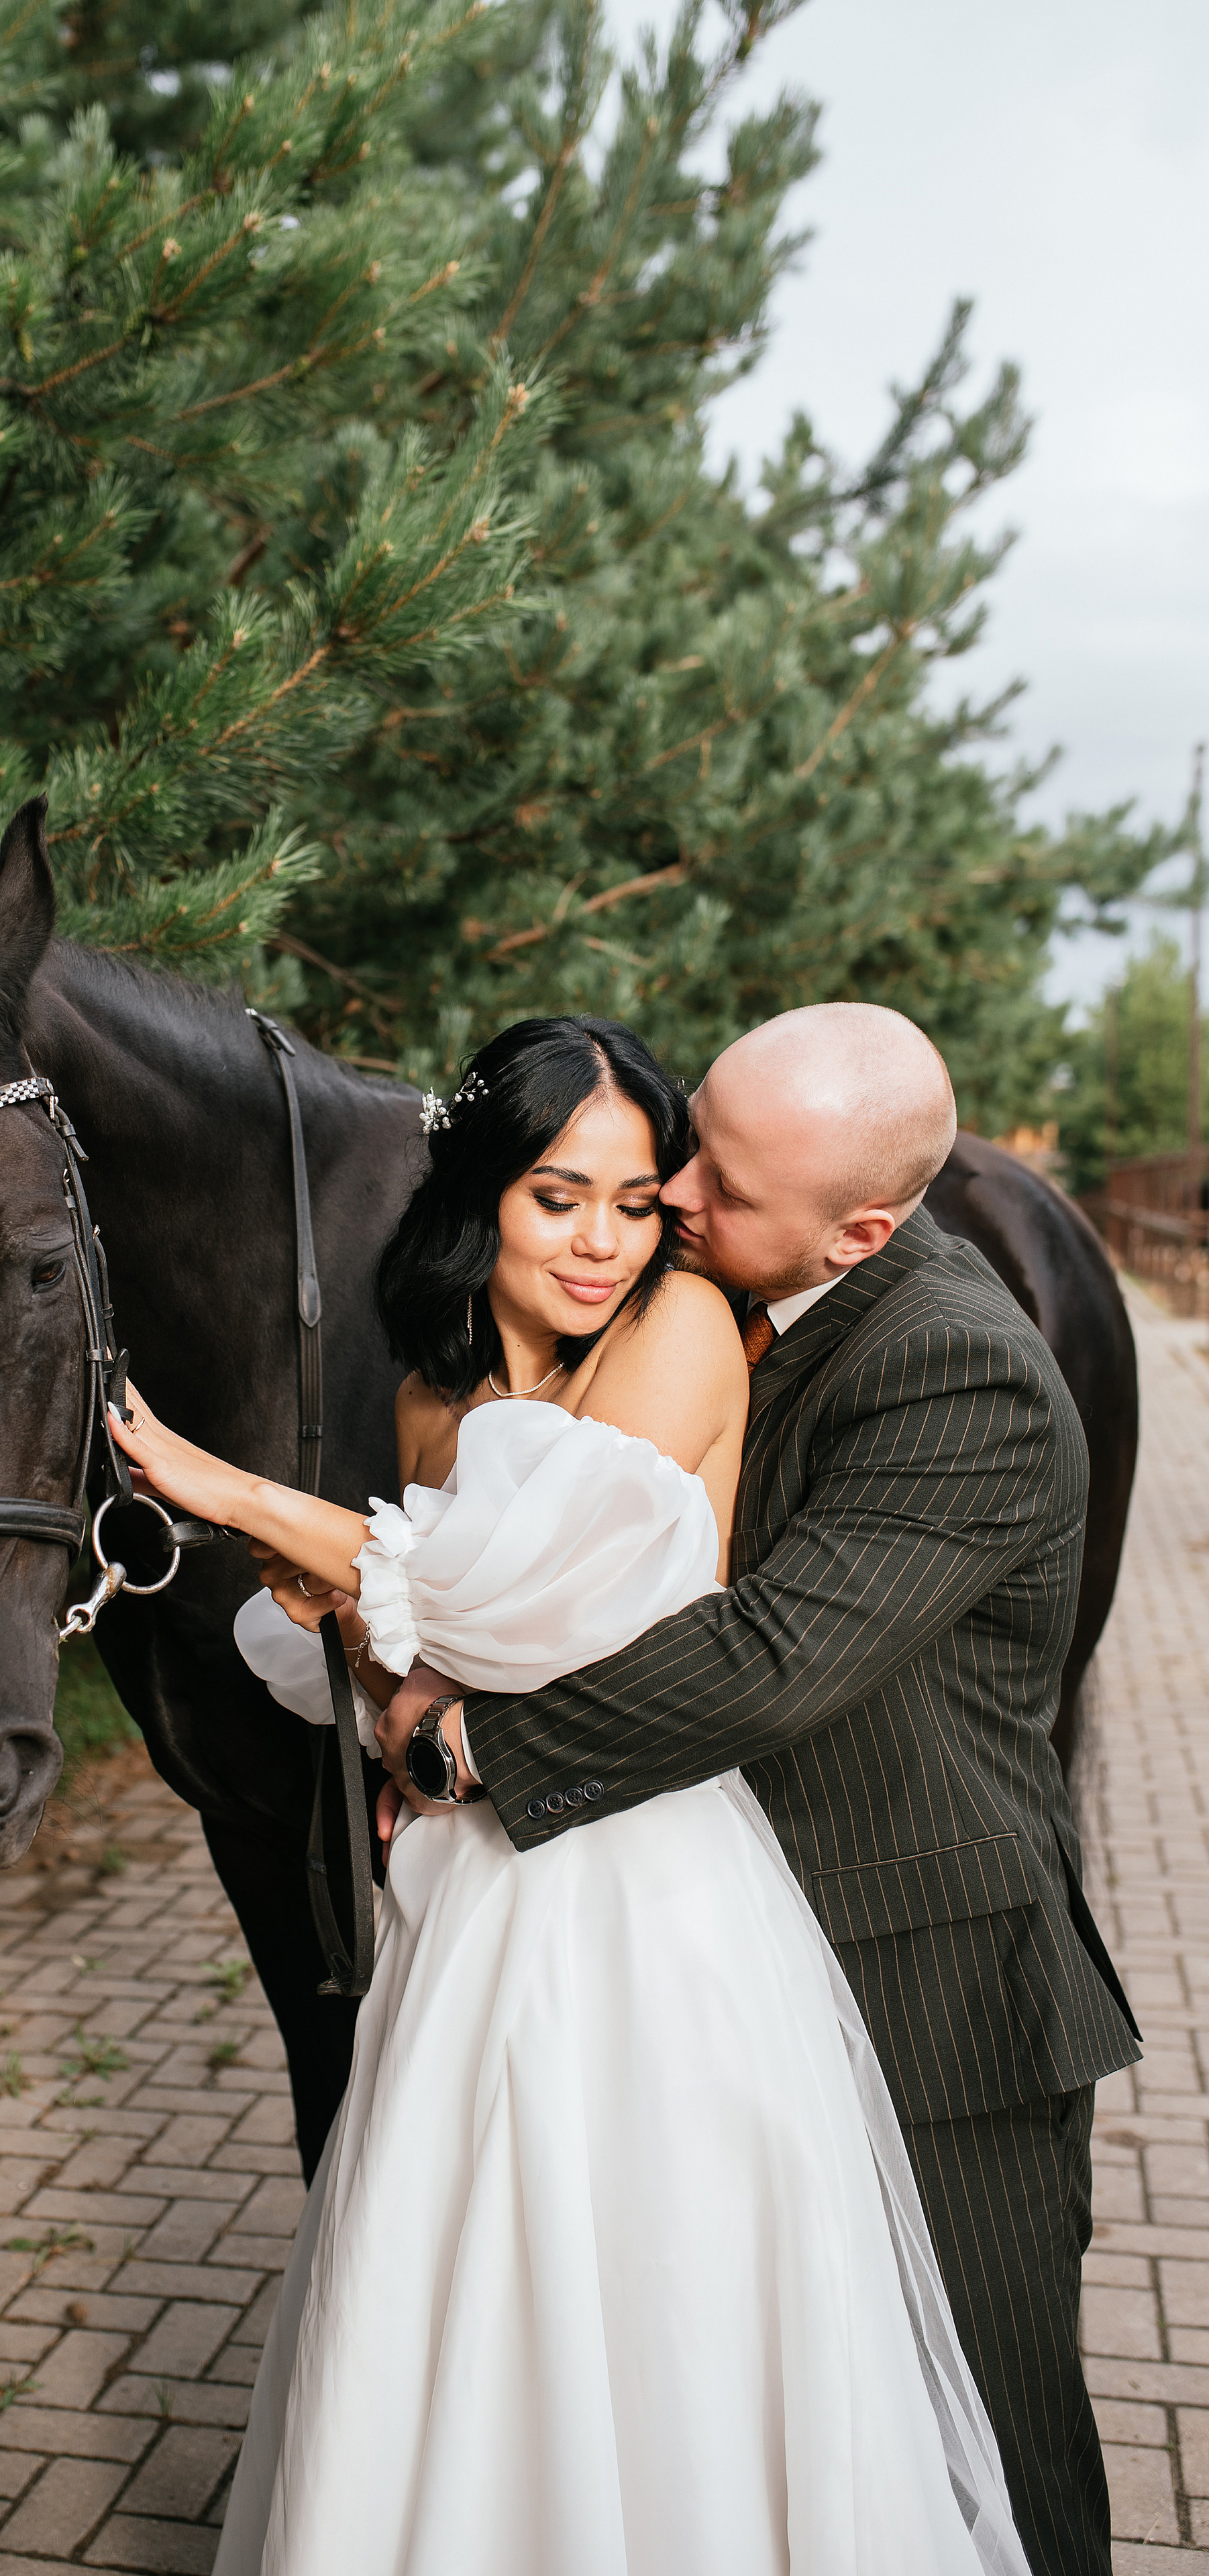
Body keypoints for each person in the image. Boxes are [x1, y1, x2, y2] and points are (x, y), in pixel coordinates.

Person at [109, 1012, 1038, 2576]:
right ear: (481, 1197)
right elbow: (396, 1655)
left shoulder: (676, 1332)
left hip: (644, 1906)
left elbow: (501, 1597)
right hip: (469, 1911)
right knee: (450, 2295)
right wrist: (349, 1622)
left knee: (663, 2313)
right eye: (558, 1198)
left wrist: (241, 1495)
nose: (610, 1238)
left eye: (633, 1194)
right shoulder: (426, 1395)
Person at [375, 1002, 1142, 2576]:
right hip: (718, 1988)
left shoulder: (957, 1375)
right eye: (688, 1142)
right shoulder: (696, 1299)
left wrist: (470, 1751)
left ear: (857, 1229)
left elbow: (767, 1653)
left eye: (713, 1182)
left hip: (923, 1995)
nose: (668, 1194)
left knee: (985, 2460)